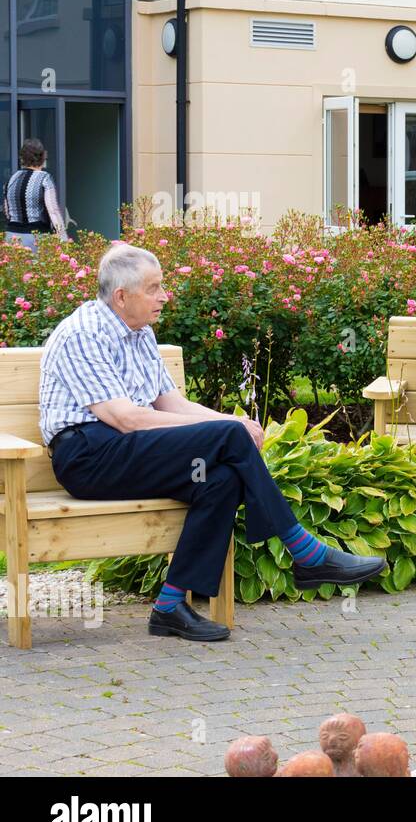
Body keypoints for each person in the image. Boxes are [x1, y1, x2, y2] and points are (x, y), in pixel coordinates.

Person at [39, 244, 387, 642]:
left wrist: (232, 420)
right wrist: (227, 430)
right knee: (228, 440)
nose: (165, 296)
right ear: (122, 296)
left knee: (220, 479)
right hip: (89, 457)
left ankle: (169, 606)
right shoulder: (83, 333)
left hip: (127, 450)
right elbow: (126, 417)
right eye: (154, 288)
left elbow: (171, 403)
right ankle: (305, 552)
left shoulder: (140, 334)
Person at [4, 139, 68, 250]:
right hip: (36, 238)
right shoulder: (44, 178)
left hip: (11, 237)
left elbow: (7, 211)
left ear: (22, 158)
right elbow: (53, 211)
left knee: (14, 267)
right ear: (43, 157)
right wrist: (63, 237)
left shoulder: (12, 178)